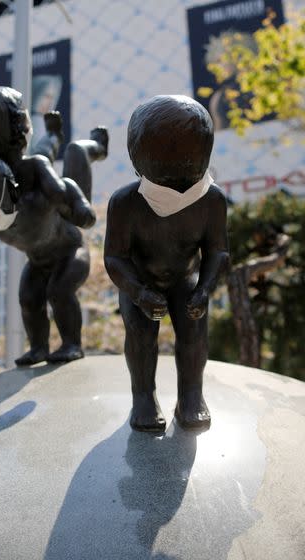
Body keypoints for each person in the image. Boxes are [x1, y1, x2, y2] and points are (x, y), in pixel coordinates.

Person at [0, 87, 108, 365]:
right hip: (38, 260)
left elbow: (65, 188)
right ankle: (38, 347)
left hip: (69, 251)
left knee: (59, 291)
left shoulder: (35, 169)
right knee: (28, 297)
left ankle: (71, 343)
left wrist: (78, 208)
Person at [104, 95, 229, 432]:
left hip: (185, 279)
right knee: (141, 335)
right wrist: (138, 291)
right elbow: (114, 258)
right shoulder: (126, 203)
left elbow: (218, 251)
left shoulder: (211, 200)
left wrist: (205, 288)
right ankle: (143, 397)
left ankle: (191, 396)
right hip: (140, 281)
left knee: (193, 332)